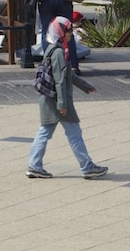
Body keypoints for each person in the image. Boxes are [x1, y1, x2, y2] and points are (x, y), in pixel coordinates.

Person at [25, 17, 107, 180]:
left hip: (48, 99)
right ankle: (87, 167)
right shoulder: (59, 53)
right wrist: (63, 104)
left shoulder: (52, 49)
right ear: (61, 32)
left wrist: (86, 86)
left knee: (44, 132)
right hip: (58, 100)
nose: (71, 33)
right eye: (68, 30)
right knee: (74, 133)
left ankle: (35, 165)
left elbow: (67, 74)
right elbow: (61, 79)